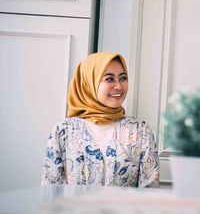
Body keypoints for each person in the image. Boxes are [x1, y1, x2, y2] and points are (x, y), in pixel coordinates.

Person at [41, 52, 160, 187]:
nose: (119, 86)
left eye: (123, 78)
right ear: (88, 82)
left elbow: (150, 190)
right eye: (109, 79)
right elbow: (50, 190)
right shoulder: (63, 131)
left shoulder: (139, 130)